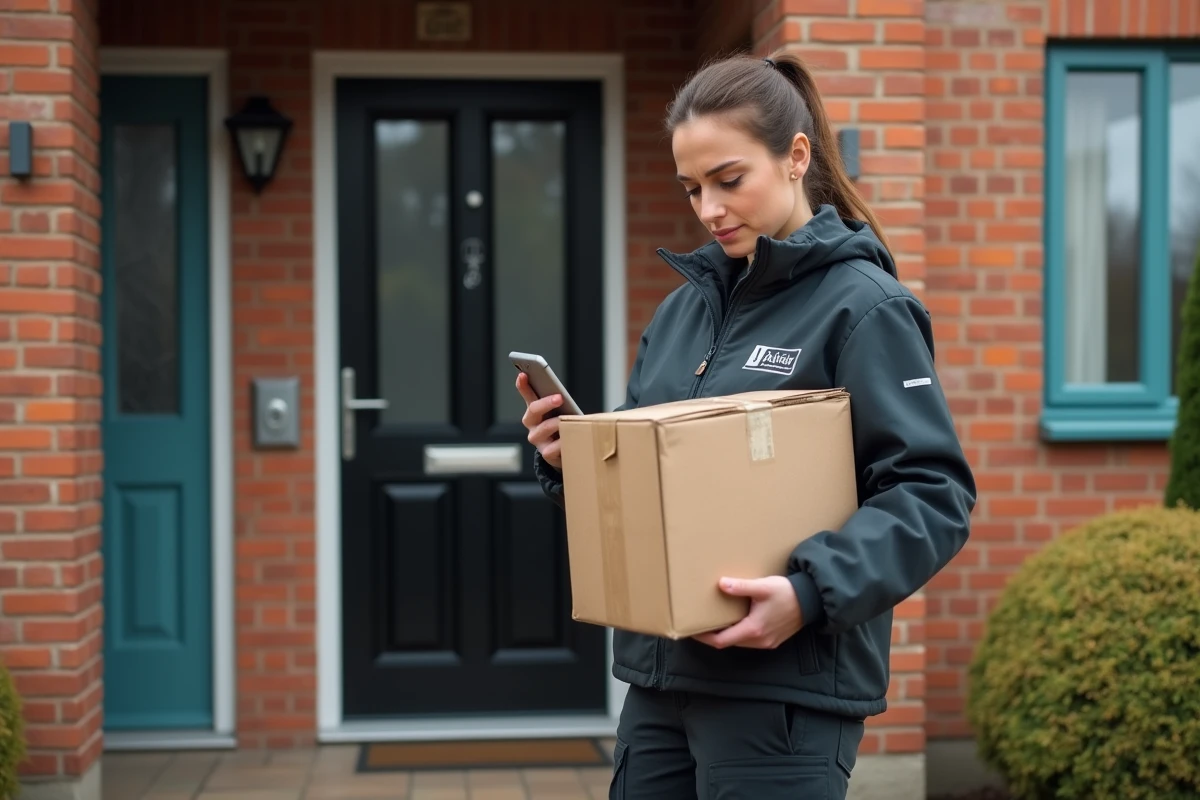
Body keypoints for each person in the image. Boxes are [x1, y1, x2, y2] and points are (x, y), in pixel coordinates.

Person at [516, 50, 976, 800]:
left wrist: (807, 593)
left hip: (783, 698)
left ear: (796, 158)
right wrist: (576, 461)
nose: (709, 209)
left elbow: (933, 494)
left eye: (729, 181)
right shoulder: (683, 310)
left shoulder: (866, 307)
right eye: (693, 188)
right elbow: (653, 490)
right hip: (661, 683)